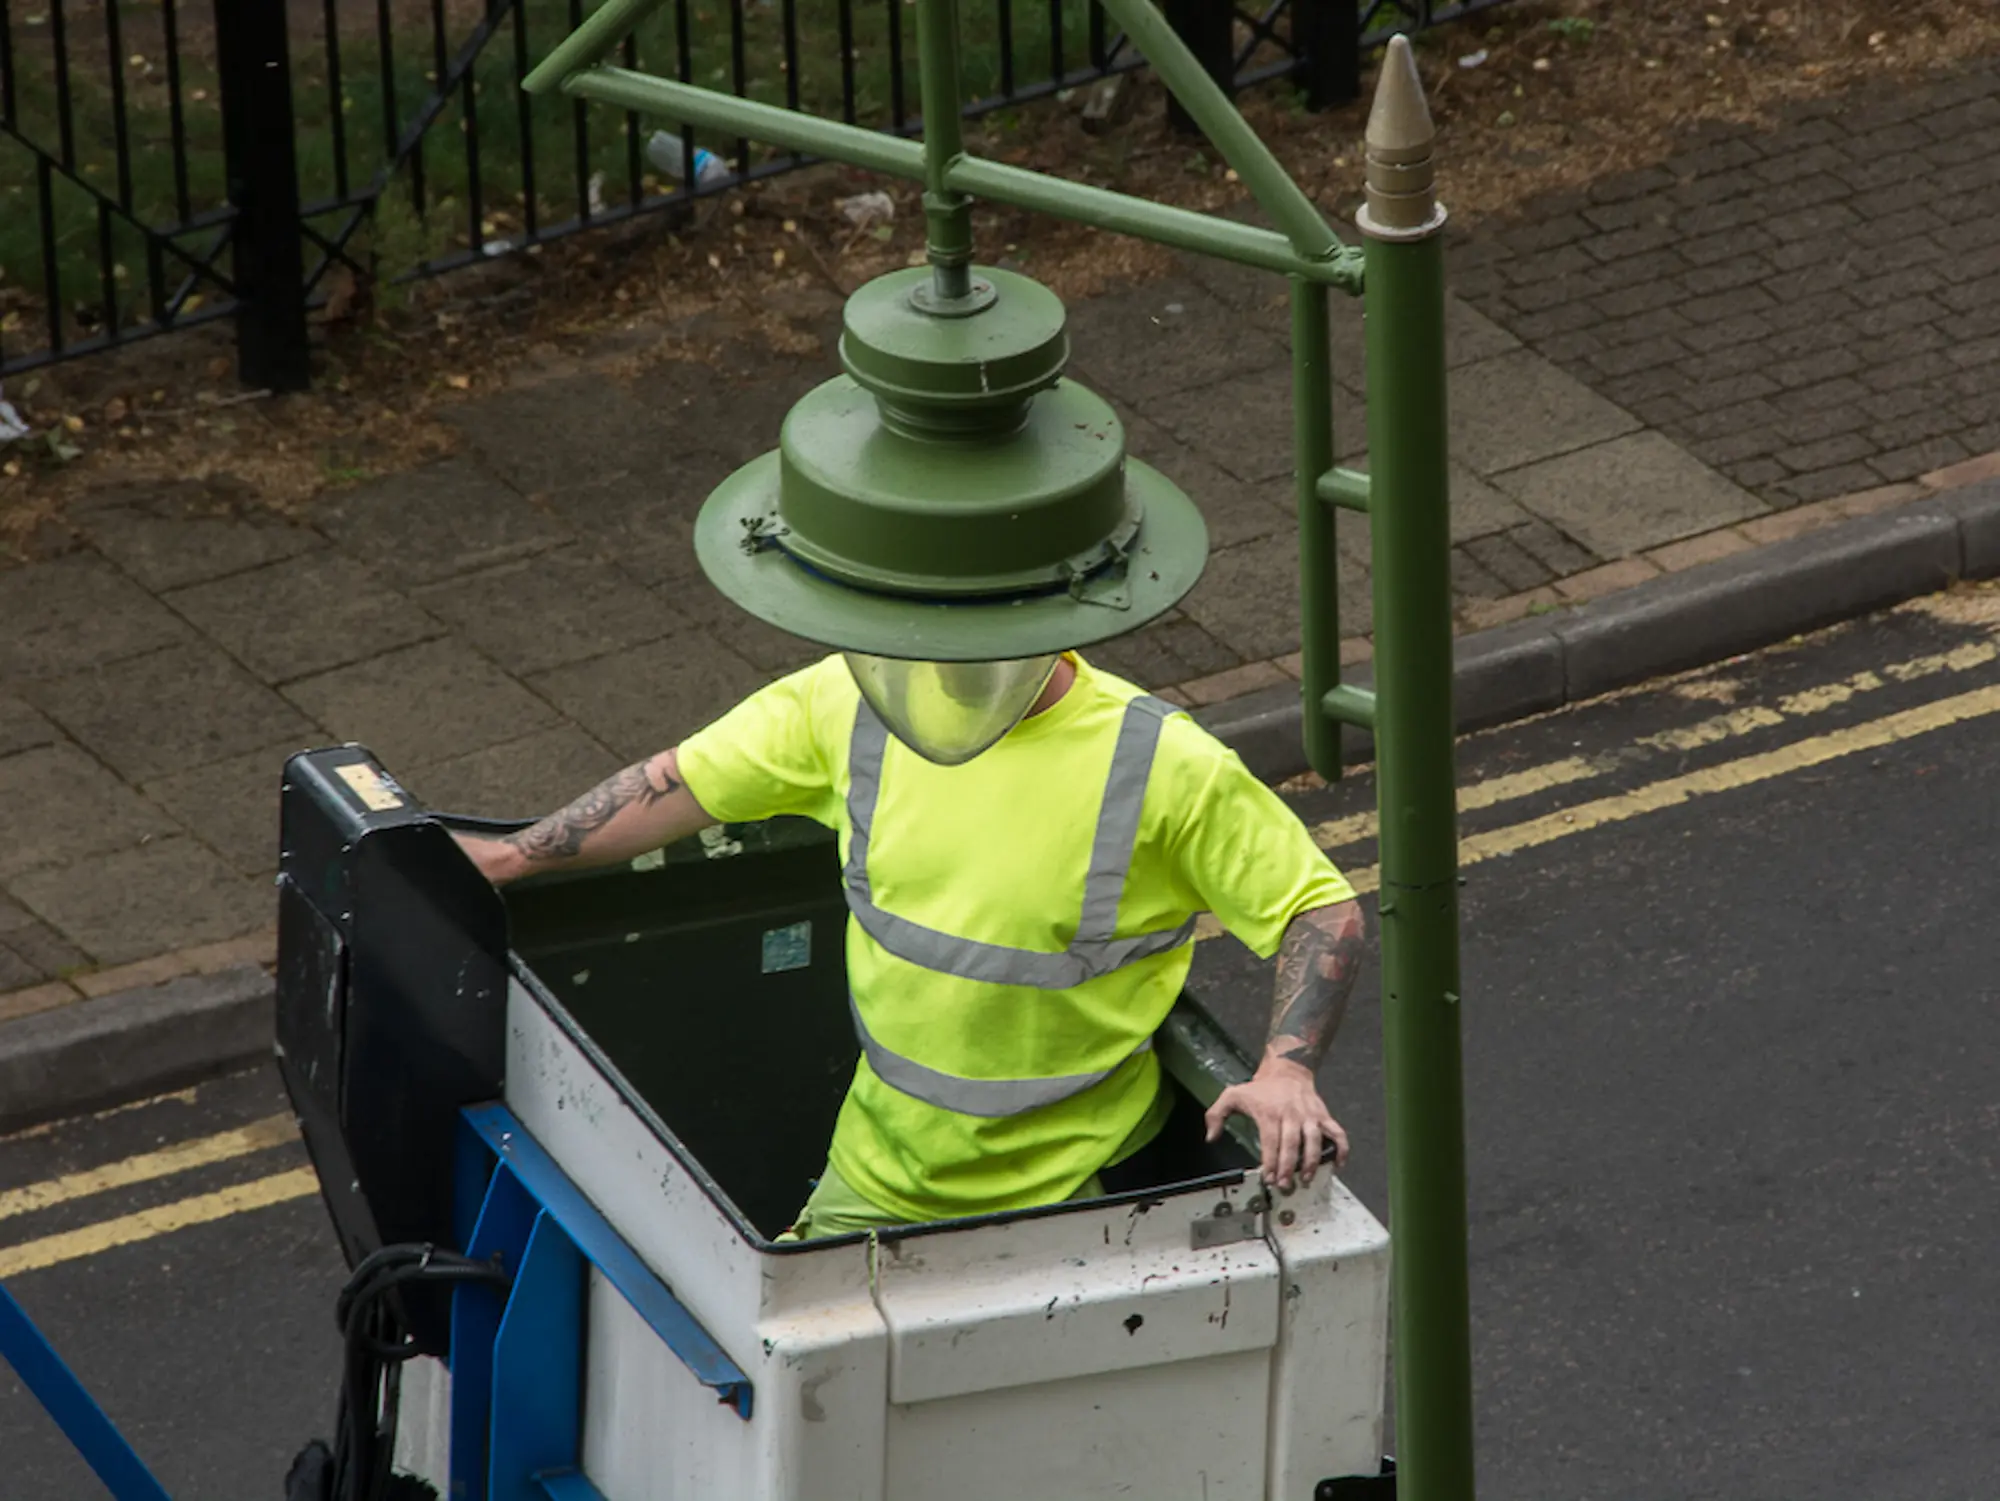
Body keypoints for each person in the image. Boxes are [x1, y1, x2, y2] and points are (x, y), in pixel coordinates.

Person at [454, 647, 1365, 1240]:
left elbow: (1319, 908)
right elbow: (676, 784)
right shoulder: (849, 698)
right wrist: (509, 856)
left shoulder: (1165, 764)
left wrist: (1287, 1068)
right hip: (877, 1173)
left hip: (1074, 1200)